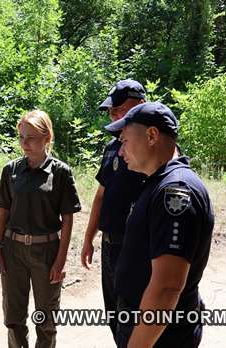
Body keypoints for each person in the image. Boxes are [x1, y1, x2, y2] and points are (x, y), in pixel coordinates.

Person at [105, 102, 214, 348]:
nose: (121, 153)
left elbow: (168, 286)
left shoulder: (174, 191)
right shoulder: (158, 182)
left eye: (124, 142)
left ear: (151, 136)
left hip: (161, 336)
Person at [0, 110, 82, 348]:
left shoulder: (61, 172)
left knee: (46, 318)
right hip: (13, 250)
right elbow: (3, 213)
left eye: (31, 137)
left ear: (47, 138)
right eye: (21, 137)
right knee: (13, 317)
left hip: (47, 252)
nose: (25, 143)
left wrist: (61, 259)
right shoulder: (10, 170)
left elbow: (68, 219)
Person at [80, 79, 147, 341]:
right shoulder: (112, 148)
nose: (113, 115)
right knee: (115, 317)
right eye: (111, 110)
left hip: (136, 248)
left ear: (141, 105)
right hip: (110, 246)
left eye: (119, 109)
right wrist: (89, 238)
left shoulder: (152, 149)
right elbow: (101, 195)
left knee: (134, 317)